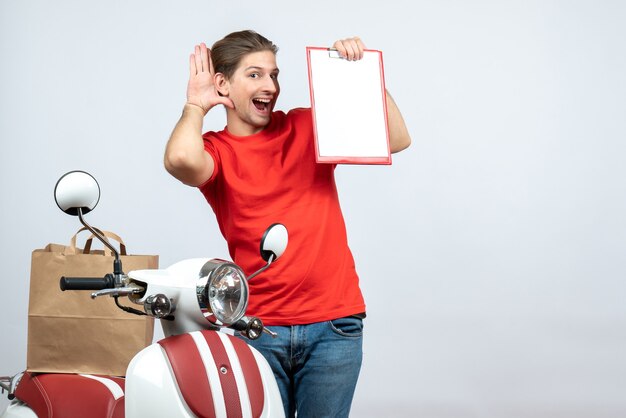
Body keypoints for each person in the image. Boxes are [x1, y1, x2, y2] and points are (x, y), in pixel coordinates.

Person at [164, 30, 410, 418]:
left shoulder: (304, 127)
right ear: (223, 84)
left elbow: (396, 138)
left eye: (274, 75)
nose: (271, 86)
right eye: (255, 75)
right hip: (258, 330)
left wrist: (362, 73)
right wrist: (195, 105)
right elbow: (179, 160)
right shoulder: (217, 151)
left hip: (333, 326)